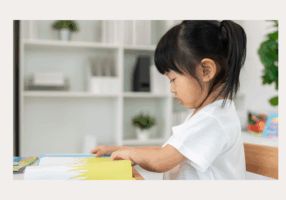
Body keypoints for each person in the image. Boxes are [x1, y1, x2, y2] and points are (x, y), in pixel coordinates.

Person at [90, 20, 247, 180]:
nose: (172, 88)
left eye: (173, 79)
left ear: (205, 71)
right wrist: (120, 149)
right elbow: (168, 150)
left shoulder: (212, 119)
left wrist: (130, 153)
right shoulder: (212, 114)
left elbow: (163, 160)